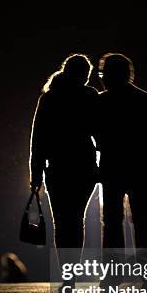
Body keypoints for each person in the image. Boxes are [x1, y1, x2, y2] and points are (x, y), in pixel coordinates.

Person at [96, 53, 147, 284]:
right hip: (141, 171)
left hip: (112, 169)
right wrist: (145, 158)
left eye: (104, 73)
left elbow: (93, 134)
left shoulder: (101, 102)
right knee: (143, 221)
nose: (103, 78)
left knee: (113, 222)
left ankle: (113, 275)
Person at [29, 54, 99, 277]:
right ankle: (72, 272)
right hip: (84, 167)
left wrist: (36, 174)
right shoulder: (89, 95)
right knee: (77, 219)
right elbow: (101, 131)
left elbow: (37, 139)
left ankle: (66, 274)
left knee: (61, 220)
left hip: (57, 168)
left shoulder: (49, 98)